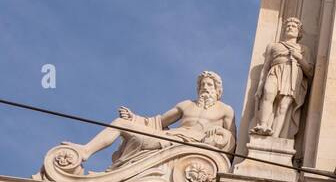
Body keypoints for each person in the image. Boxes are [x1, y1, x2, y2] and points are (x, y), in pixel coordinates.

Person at [58, 71, 236, 170]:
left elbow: (232, 144)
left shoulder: (225, 110)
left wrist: (220, 132)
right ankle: (84, 151)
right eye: (203, 84)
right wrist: (134, 118)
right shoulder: (186, 105)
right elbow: (158, 122)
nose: (205, 88)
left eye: (209, 85)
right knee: (120, 123)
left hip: (192, 144)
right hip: (170, 138)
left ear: (217, 90)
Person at [252, 16, 313, 139]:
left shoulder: (304, 49)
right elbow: (265, 67)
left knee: (283, 107)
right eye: (288, 26)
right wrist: (259, 87)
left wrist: (298, 57)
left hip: (293, 74)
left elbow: (310, 71)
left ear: (299, 31)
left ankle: (275, 137)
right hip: (275, 71)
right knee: (268, 94)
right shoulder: (273, 46)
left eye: (294, 26)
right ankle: (263, 125)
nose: (290, 28)